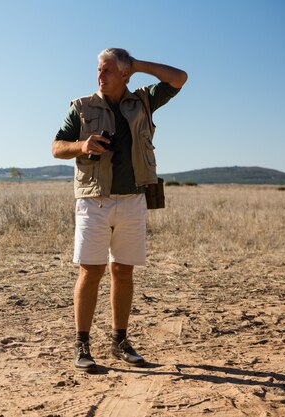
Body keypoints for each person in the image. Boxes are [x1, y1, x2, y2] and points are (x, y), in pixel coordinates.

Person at [51, 48, 187, 372]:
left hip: (133, 200)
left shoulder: (143, 101)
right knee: (91, 271)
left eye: (108, 70)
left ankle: (119, 341)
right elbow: (56, 147)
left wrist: (137, 65)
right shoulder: (81, 107)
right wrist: (82, 145)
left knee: (123, 271)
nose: (100, 75)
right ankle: (82, 345)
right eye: (99, 69)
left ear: (124, 74)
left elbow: (179, 78)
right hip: (93, 201)